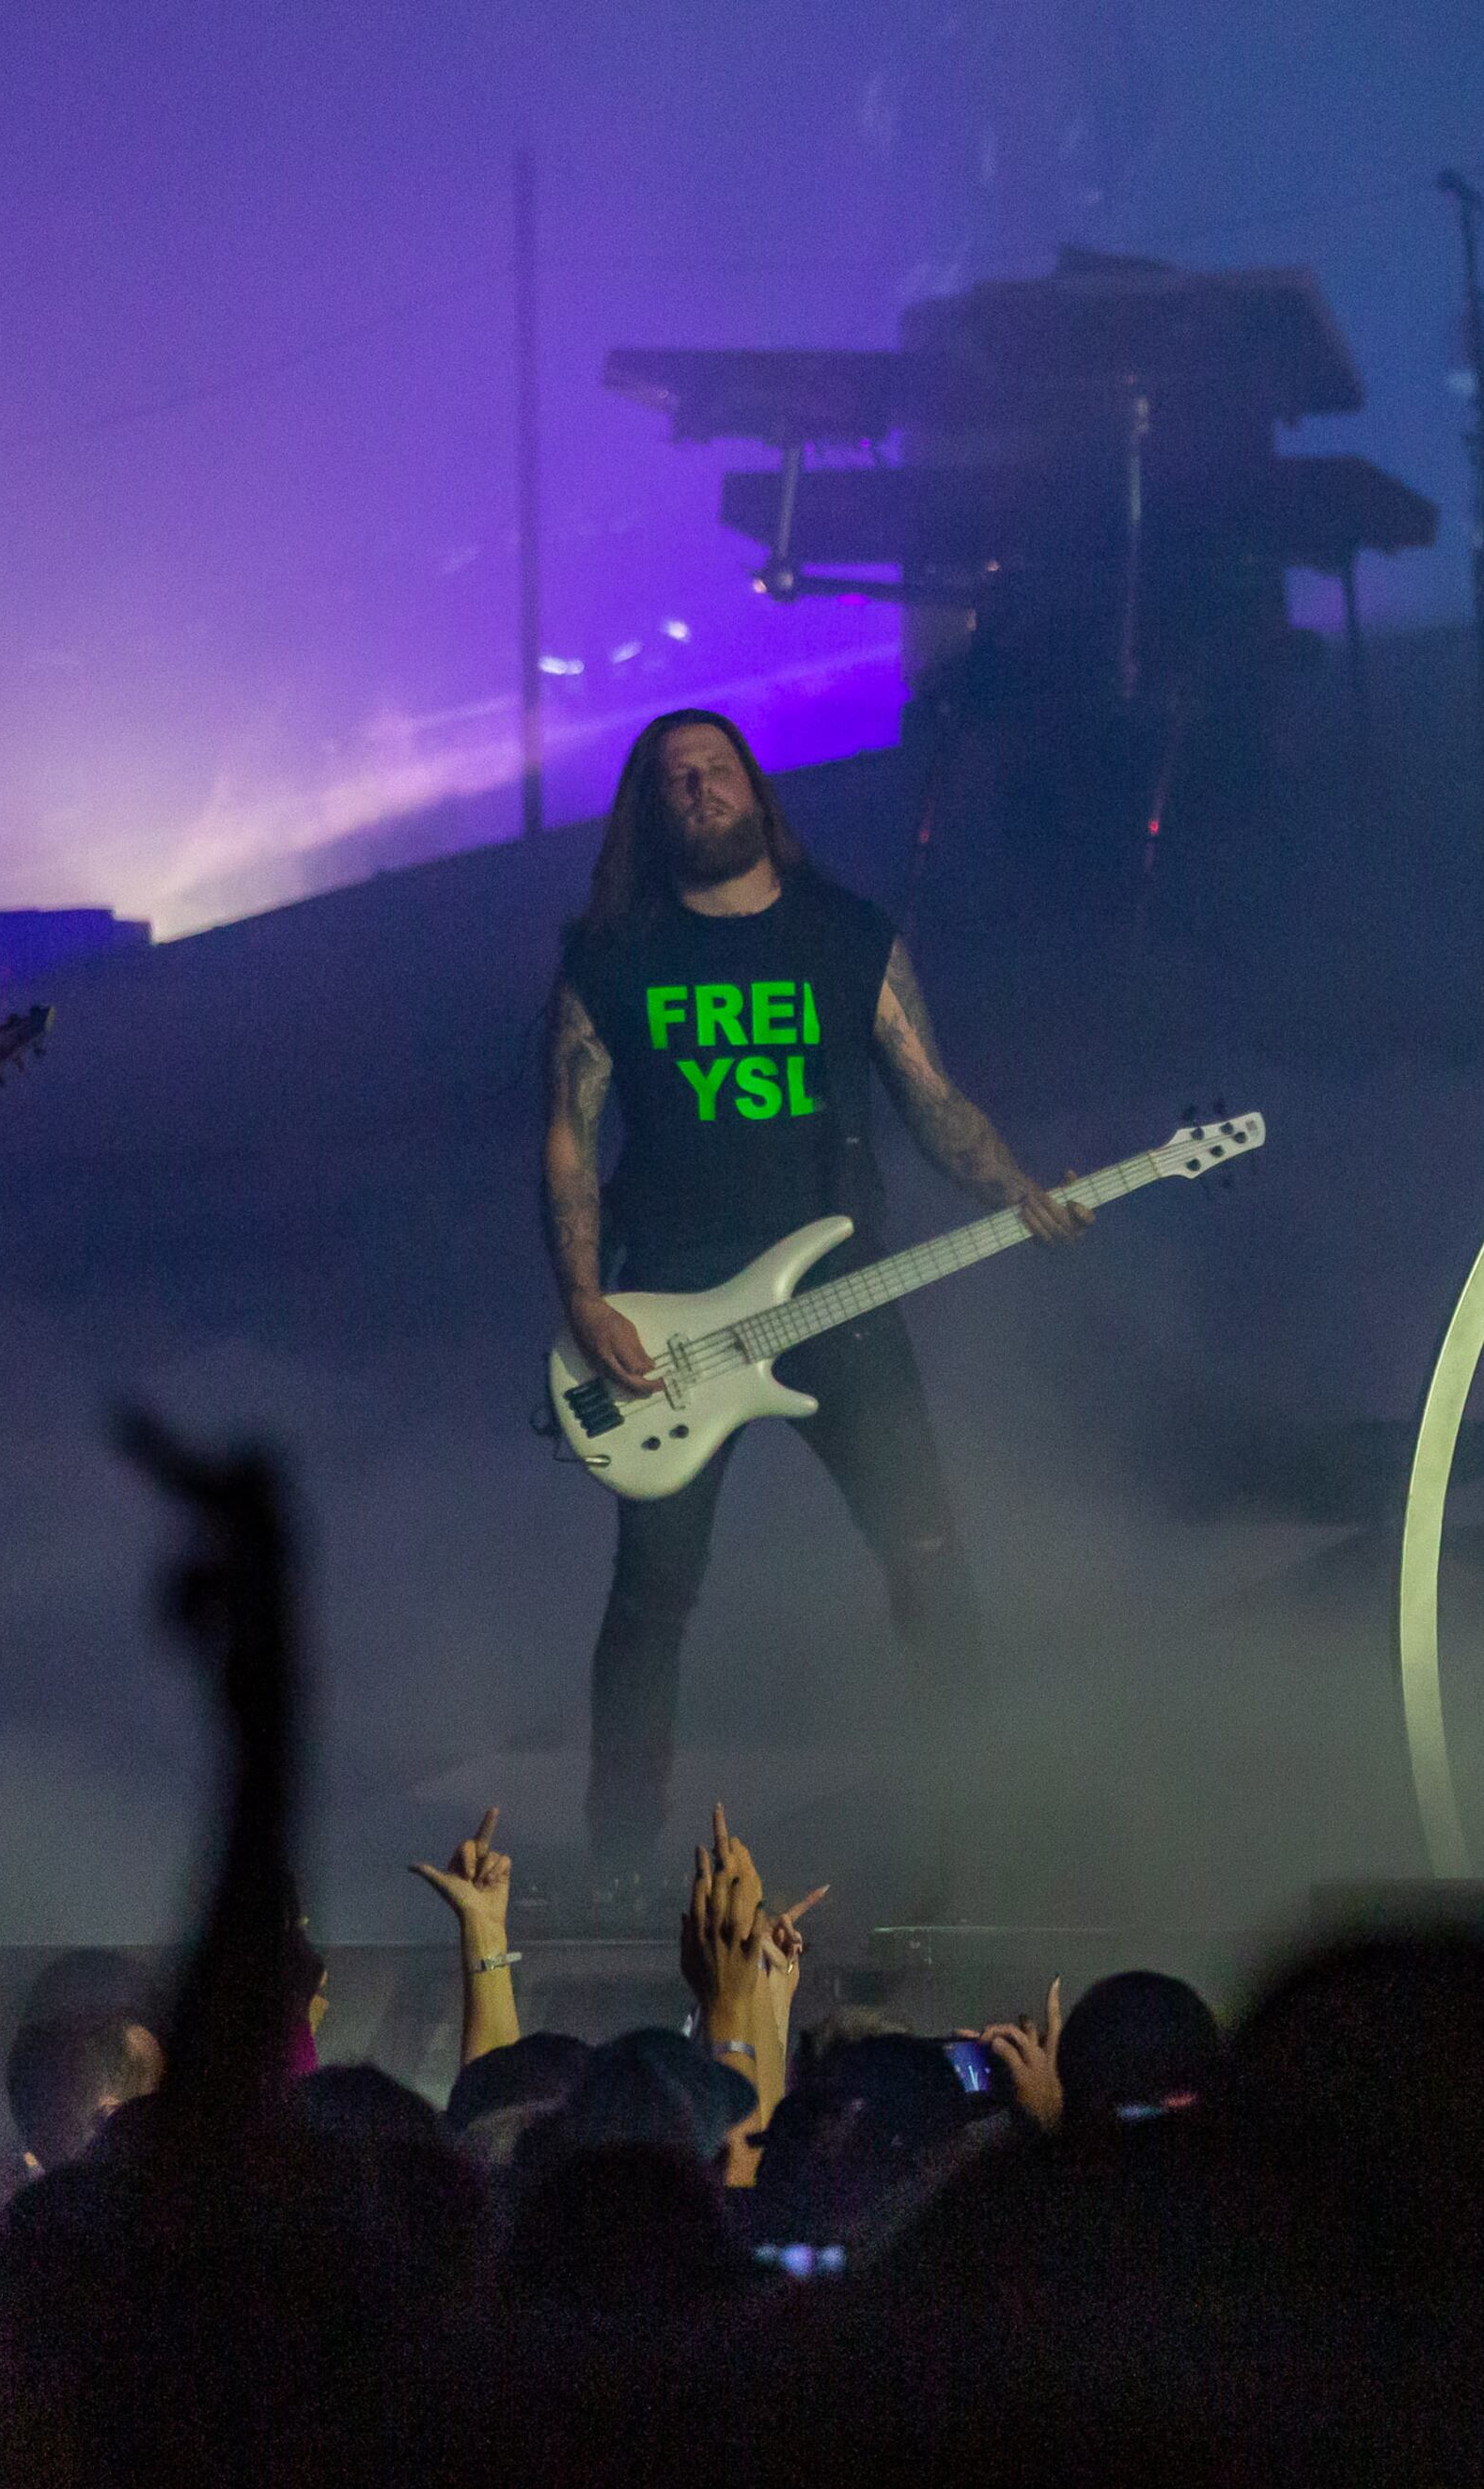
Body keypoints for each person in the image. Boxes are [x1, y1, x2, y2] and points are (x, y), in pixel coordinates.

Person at [546, 710, 1086, 1915]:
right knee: (650, 1599)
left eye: (716, 768)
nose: (697, 788)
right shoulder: (613, 957)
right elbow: (571, 1136)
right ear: (649, 806)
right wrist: (584, 1297)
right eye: (673, 777)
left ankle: (970, 1838)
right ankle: (620, 1865)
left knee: (931, 1560)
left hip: (838, 1303)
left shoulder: (847, 937)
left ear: (756, 789)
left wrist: (1018, 1191)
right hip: (669, 1316)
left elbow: (931, 1095)